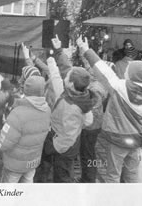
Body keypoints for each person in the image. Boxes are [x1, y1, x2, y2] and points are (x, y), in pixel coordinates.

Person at [77, 37, 142, 183]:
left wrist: (86, 50)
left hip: (117, 139)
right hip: (137, 140)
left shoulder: (120, 87)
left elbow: (102, 70)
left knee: (113, 174)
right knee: (133, 175)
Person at [48, 36, 96, 183]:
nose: (65, 75)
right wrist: (58, 51)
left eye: (67, 77)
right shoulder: (86, 99)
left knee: (61, 175)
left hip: (58, 144)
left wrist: (51, 62)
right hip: (74, 144)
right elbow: (88, 122)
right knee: (66, 170)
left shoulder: (62, 96)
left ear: (69, 84)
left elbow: (56, 77)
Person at [0, 75, 51, 183]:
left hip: (14, 164)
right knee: (27, 185)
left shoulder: (17, 114)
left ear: (25, 90)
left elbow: (4, 144)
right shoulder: (47, 110)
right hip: (32, 161)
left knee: (9, 190)